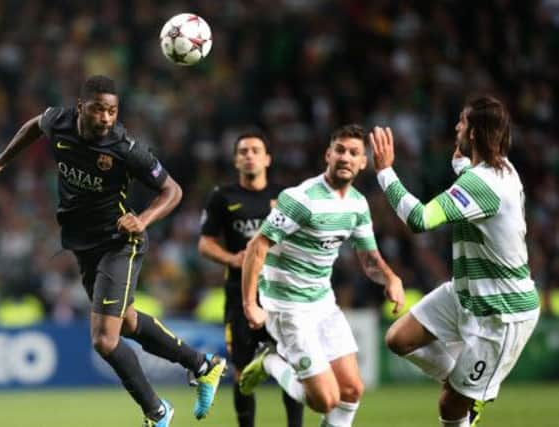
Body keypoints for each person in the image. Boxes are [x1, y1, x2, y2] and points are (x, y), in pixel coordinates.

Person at [0, 75, 226, 427]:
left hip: (120, 243)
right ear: (81, 109)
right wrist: (2, 161)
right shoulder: (58, 121)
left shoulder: (125, 147)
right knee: (127, 322)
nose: (106, 118)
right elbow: (34, 126)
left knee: (104, 340)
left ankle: (157, 411)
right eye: (98, 109)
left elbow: (173, 190)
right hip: (84, 244)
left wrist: (144, 219)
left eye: (112, 111)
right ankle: (203, 365)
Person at [369, 95, 540, 427]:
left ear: (474, 132)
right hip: (466, 293)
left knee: (450, 407)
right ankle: (465, 387)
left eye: (462, 121)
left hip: (501, 312)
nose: (456, 126)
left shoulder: (482, 184)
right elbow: (470, 175)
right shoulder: (501, 168)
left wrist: (385, 172)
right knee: (398, 339)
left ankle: (465, 395)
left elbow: (419, 219)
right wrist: (460, 164)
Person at [238, 124, 405, 427]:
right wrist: (250, 304)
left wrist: (391, 279)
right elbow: (256, 247)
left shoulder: (357, 204)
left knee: (352, 390)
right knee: (324, 400)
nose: (345, 157)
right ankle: (271, 361)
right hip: (287, 307)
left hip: (323, 304)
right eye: (340, 150)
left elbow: (369, 259)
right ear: (328, 154)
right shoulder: (301, 199)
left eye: (354, 153)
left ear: (363, 162)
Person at [198, 132, 304, 427]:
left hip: (280, 293)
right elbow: (204, 243)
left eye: (255, 150)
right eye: (243, 151)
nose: (249, 155)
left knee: (291, 365)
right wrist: (232, 259)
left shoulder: (286, 197)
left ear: (267, 158)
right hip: (238, 293)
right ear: (235, 159)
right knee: (242, 370)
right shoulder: (223, 196)